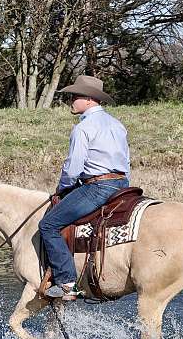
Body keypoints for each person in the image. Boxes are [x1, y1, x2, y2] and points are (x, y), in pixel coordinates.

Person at [39, 75, 130, 299]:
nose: (70, 100)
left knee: (48, 225)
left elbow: (72, 168)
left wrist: (62, 189)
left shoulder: (83, 128)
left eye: (75, 96)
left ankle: (67, 284)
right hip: (122, 184)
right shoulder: (117, 124)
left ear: (89, 99)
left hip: (98, 187)